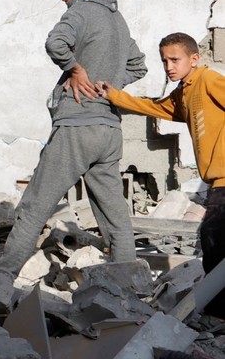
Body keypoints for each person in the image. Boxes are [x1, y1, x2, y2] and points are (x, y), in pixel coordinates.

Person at [0, 0, 147, 280]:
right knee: (114, 214)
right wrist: (109, 86)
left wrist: (75, 69)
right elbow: (138, 65)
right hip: (109, 131)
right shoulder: (117, 19)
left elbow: (55, 43)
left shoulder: (81, 12)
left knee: (35, 205)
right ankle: (130, 284)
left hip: (77, 126)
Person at [91, 32, 225, 316]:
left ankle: (217, 311)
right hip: (217, 182)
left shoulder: (208, 80)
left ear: (194, 59)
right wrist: (114, 96)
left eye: (175, 60)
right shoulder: (184, 92)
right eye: (165, 61)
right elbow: (154, 108)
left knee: (213, 238)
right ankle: (217, 310)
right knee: (213, 241)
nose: (169, 67)